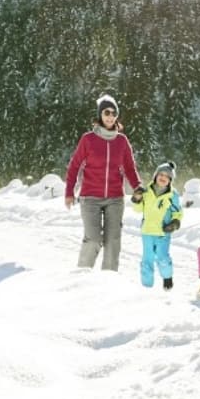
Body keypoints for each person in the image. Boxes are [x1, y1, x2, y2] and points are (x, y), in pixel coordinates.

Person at [64, 93, 141, 270]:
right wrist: (69, 192)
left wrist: (137, 186)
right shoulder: (88, 139)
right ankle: (82, 274)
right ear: (100, 114)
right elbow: (74, 166)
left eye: (114, 113)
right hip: (90, 197)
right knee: (93, 239)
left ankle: (109, 279)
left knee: (113, 241)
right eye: (107, 112)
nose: (110, 116)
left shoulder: (122, 141)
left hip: (115, 198)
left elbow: (130, 167)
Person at [130, 162, 184, 290]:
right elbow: (138, 209)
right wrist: (137, 199)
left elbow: (177, 212)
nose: (163, 177)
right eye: (161, 174)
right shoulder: (146, 192)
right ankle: (146, 286)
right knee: (147, 260)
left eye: (167, 176)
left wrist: (175, 222)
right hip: (147, 231)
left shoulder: (172, 195)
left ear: (170, 180)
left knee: (163, 258)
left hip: (163, 232)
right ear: (155, 176)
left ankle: (167, 277)